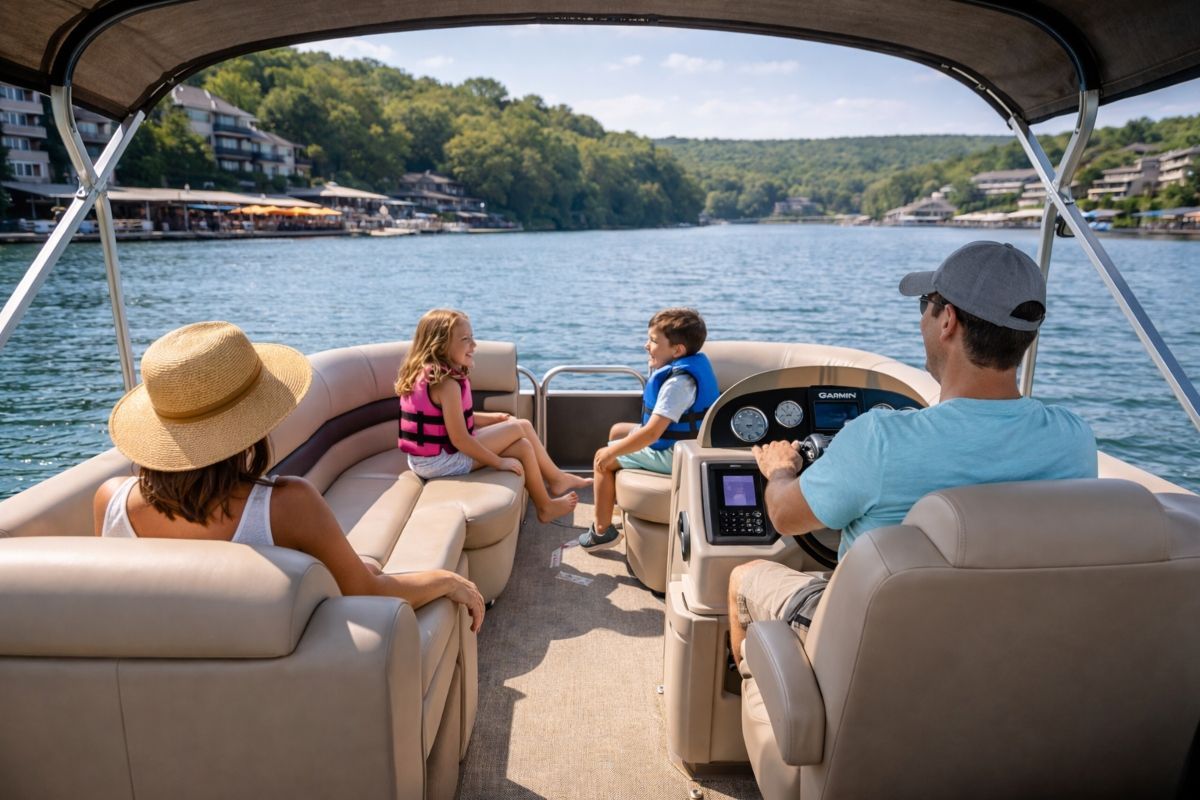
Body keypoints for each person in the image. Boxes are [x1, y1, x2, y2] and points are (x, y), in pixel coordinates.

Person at [728, 241, 1098, 663]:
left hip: (878, 652)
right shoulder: (1074, 440)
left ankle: (775, 708)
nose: (923, 315)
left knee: (744, 577)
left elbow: (784, 516)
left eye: (927, 303)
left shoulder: (880, 440)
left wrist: (780, 470)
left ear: (948, 321)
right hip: (1005, 649)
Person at [93, 320, 486, 632]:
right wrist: (448, 580)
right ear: (253, 422)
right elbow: (368, 594)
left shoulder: (110, 500)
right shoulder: (289, 503)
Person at [396, 308, 589, 523]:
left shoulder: (429, 374)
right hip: (439, 462)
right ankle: (556, 480)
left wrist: (494, 418)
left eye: (473, 337)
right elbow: (460, 439)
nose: (474, 345)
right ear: (441, 345)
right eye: (465, 339)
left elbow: (449, 420)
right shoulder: (446, 383)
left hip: (425, 460)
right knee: (519, 426)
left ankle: (546, 503)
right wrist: (498, 462)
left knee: (523, 445)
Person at [580, 307, 720, 551]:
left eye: (654, 341)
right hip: (682, 443)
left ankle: (601, 532)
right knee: (617, 431)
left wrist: (611, 453)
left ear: (677, 350)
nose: (647, 345)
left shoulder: (678, 383)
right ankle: (612, 504)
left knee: (602, 459)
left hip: (675, 454)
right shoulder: (682, 368)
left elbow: (653, 432)